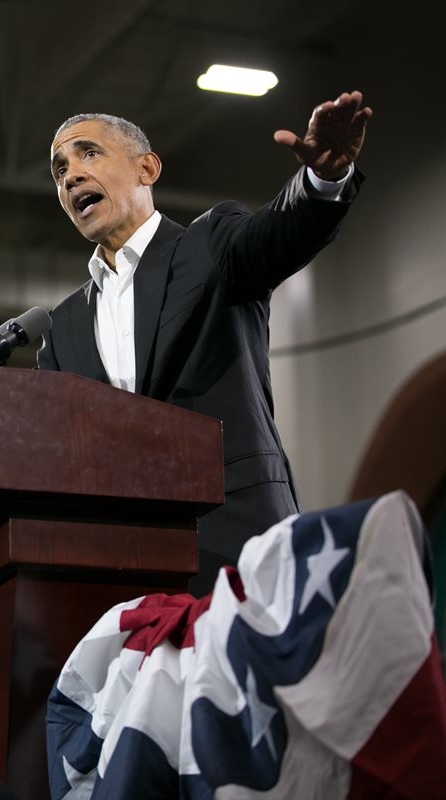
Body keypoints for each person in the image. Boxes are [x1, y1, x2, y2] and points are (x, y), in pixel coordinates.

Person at [37, 92, 372, 594]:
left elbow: (281, 232)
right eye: (59, 169)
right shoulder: (60, 331)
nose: (71, 176)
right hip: (123, 572)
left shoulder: (209, 244)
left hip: (237, 545)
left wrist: (322, 180)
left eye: (88, 154)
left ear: (147, 168)